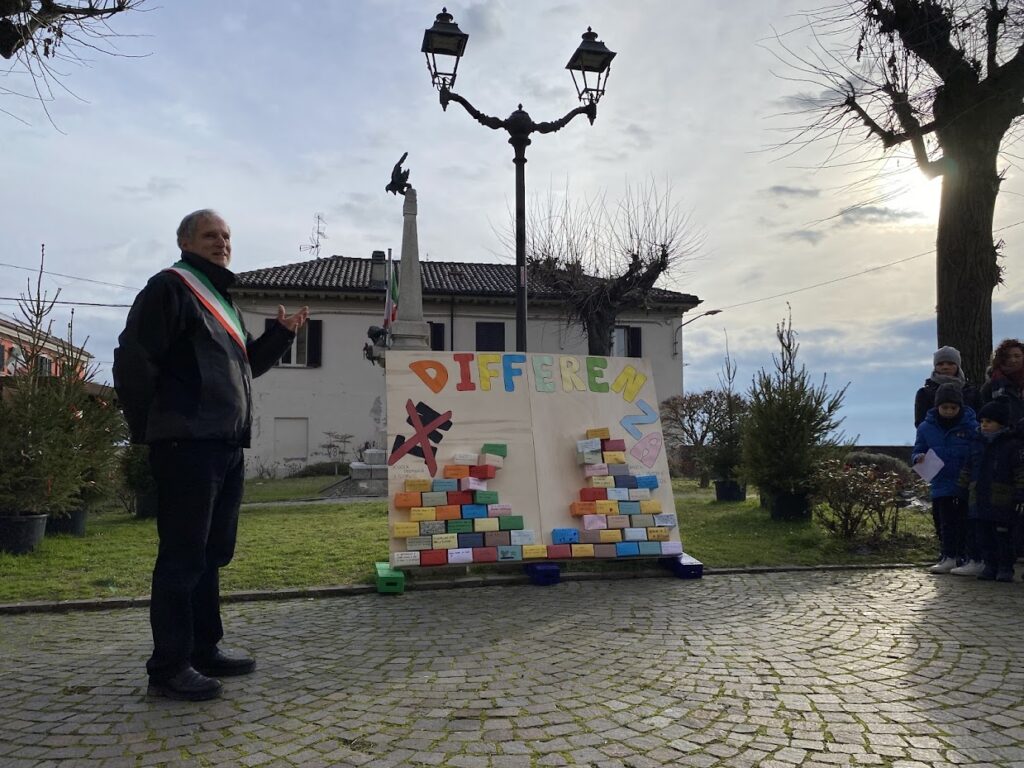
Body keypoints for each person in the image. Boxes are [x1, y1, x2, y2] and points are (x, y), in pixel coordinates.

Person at [113, 209, 309, 701]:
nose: (221, 242)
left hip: (224, 444)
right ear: (185, 242)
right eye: (209, 235)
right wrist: (149, 429)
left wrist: (281, 337)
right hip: (185, 445)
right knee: (182, 557)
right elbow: (133, 361)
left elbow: (247, 367)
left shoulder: (223, 302)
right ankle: (168, 666)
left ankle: (204, 647)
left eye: (225, 236)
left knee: (211, 554)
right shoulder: (170, 288)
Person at [912, 383, 978, 574]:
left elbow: (977, 450)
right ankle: (948, 556)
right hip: (940, 483)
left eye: (953, 408)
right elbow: (918, 450)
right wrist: (918, 458)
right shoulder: (926, 427)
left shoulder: (971, 426)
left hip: (964, 483)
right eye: (945, 407)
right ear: (937, 407)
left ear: (960, 407)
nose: (949, 411)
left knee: (966, 521)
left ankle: (966, 556)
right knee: (945, 522)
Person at [958, 400, 1024, 582]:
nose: (984, 425)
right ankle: (990, 564)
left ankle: (1005, 566)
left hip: (1002, 500)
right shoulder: (976, 443)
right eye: (982, 421)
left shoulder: (1012, 445)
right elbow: (968, 468)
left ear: (1001, 424)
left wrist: (1020, 492)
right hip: (978, 497)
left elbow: (1019, 472)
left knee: (1002, 536)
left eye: (989, 421)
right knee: (983, 536)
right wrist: (962, 488)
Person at [914, 346, 979, 429]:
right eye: (940, 364)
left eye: (950, 363)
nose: (945, 367)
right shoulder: (924, 393)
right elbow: (920, 423)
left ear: (957, 365)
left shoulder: (971, 392)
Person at [979, 338, 1024, 426]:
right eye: (1008, 357)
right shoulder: (991, 385)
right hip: (1002, 435)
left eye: (1017, 356)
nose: (1013, 360)